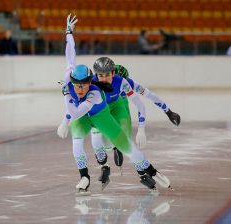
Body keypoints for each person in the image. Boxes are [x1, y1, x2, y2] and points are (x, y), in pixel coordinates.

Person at [57, 14, 171, 195]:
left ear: (90, 82)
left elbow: (77, 111)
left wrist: (147, 124)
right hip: (86, 115)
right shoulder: (70, 78)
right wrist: (68, 32)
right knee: (77, 142)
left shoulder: (95, 92)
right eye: (77, 85)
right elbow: (70, 54)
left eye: (85, 85)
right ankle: (85, 176)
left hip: (99, 115)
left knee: (126, 146)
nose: (80, 89)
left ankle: (150, 170)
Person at [89, 62, 181, 174]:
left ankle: (139, 169)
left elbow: (150, 96)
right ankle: (113, 150)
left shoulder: (126, 83)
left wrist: (168, 111)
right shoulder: (95, 82)